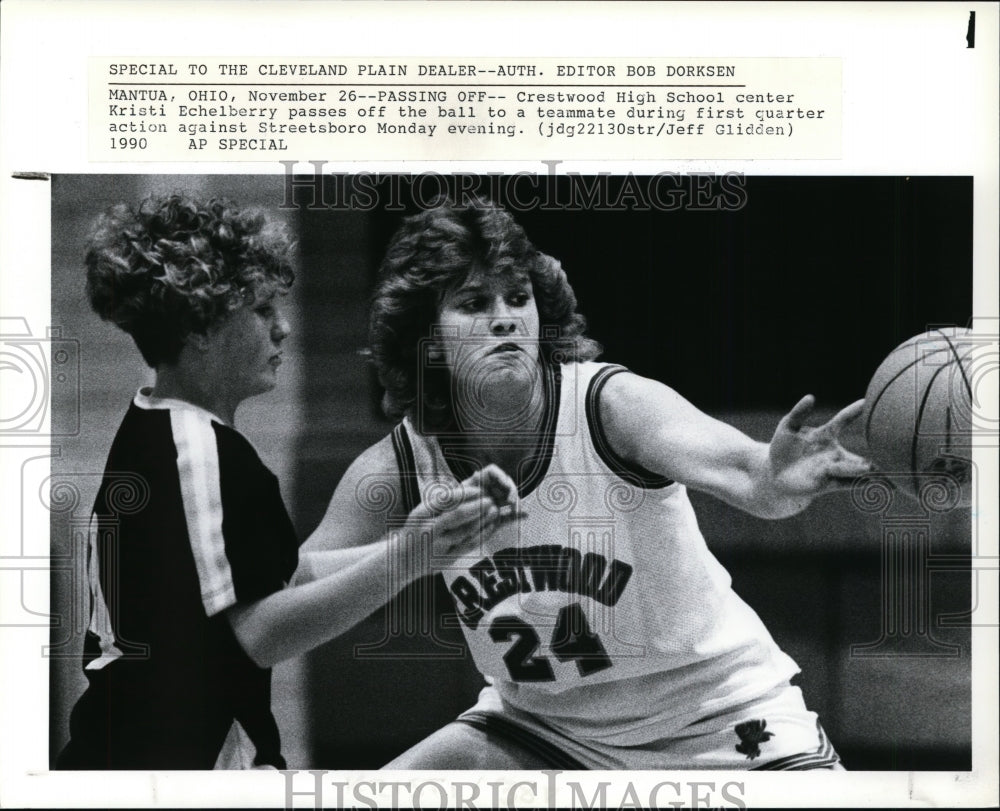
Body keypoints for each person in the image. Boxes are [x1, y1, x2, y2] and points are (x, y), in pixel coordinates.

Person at [307, 196, 871, 770]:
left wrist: (777, 475)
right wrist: (403, 555)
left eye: (518, 298)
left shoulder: (609, 405)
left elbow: (748, 476)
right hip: (544, 733)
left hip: (719, 721)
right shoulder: (402, 461)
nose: (504, 316)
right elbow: (289, 586)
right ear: (422, 335)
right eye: (474, 302)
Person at [57, 193, 519, 770]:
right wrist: (408, 557)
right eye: (260, 309)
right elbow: (261, 633)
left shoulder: (158, 429)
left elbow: (275, 574)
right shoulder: (198, 454)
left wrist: (413, 541)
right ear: (200, 325)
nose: (283, 329)